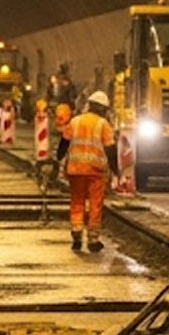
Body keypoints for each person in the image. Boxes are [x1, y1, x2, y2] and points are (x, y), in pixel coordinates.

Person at [59, 91, 117, 252]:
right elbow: (110, 149)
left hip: (76, 169)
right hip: (95, 171)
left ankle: (77, 233)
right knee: (95, 205)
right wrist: (115, 169)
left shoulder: (75, 121)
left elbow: (64, 142)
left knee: (77, 201)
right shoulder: (103, 124)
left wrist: (59, 159)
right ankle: (93, 240)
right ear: (102, 109)